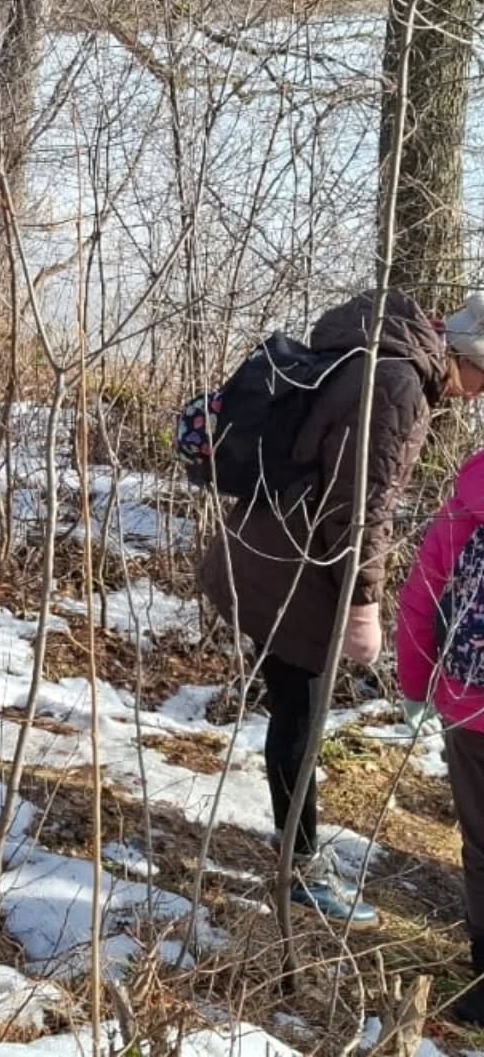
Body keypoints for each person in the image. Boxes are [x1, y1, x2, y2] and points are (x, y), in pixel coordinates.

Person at [200, 289, 484, 925]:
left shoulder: (377, 354)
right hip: (294, 569)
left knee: (293, 710)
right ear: (468, 358)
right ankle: (299, 870)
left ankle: (295, 852)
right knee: (299, 716)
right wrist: (363, 605)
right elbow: (360, 508)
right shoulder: (400, 385)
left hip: (266, 543)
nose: (474, 398)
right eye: (482, 382)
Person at [397, 434, 484, 1024]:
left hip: (471, 706)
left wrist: (416, 686)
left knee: (482, 845)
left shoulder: (465, 503)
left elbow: (420, 603)